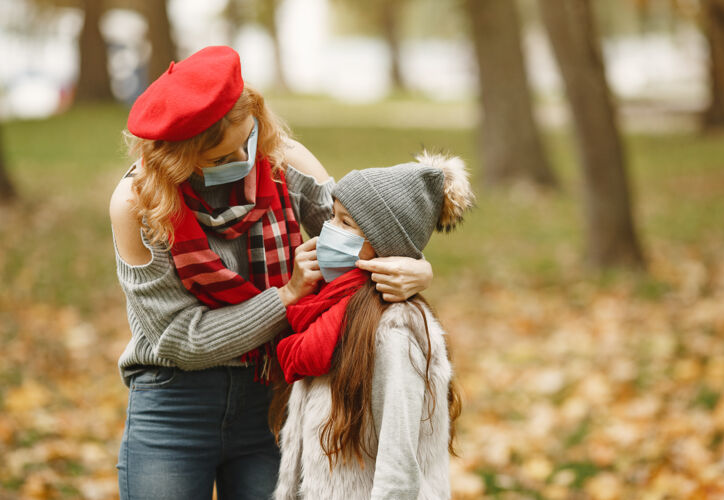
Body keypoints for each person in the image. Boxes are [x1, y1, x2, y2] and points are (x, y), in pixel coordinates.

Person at [109, 45, 433, 500]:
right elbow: (179, 339)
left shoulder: (285, 162)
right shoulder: (137, 204)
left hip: (275, 395)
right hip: (175, 404)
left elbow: (359, 239)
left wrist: (418, 269)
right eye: (223, 157)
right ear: (180, 158)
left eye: (251, 136)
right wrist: (287, 295)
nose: (246, 155)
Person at [272, 151, 473, 500]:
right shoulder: (331, 307)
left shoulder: (392, 332)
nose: (328, 230)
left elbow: (398, 466)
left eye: (346, 223)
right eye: (333, 217)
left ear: (384, 246)